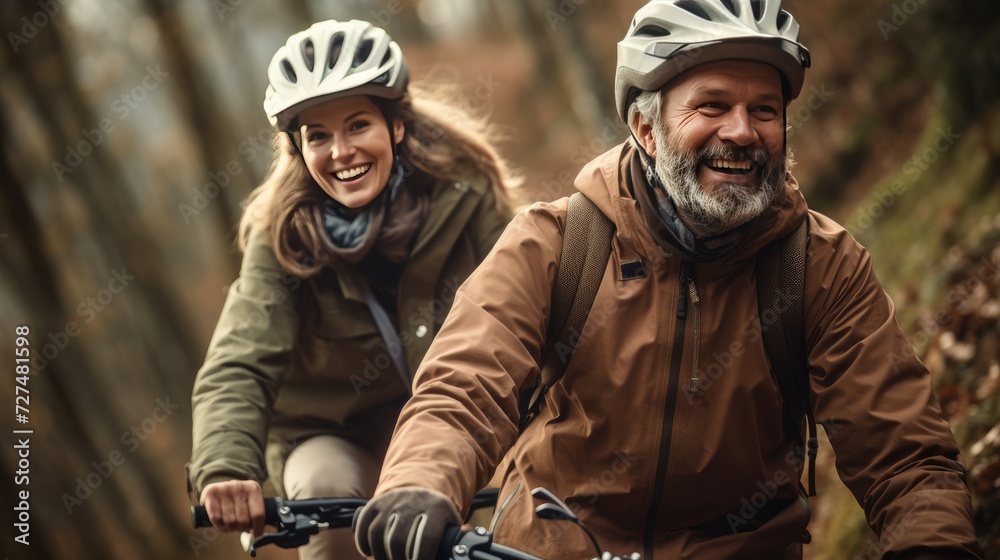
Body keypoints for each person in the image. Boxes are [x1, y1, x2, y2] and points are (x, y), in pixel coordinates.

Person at [353, 1, 984, 559]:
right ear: (646, 130)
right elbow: (463, 387)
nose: (742, 131)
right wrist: (420, 480)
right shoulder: (555, 244)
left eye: (763, 109)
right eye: (712, 105)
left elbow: (904, 455)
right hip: (553, 545)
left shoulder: (821, 265)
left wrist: (935, 545)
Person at [186, 19, 516, 560]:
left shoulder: (467, 195)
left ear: (397, 126)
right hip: (334, 441)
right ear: (298, 149)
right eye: (318, 135)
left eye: (358, 125)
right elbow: (238, 361)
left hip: (458, 422)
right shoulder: (284, 238)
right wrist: (224, 466)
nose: (341, 151)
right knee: (324, 487)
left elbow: (532, 312)